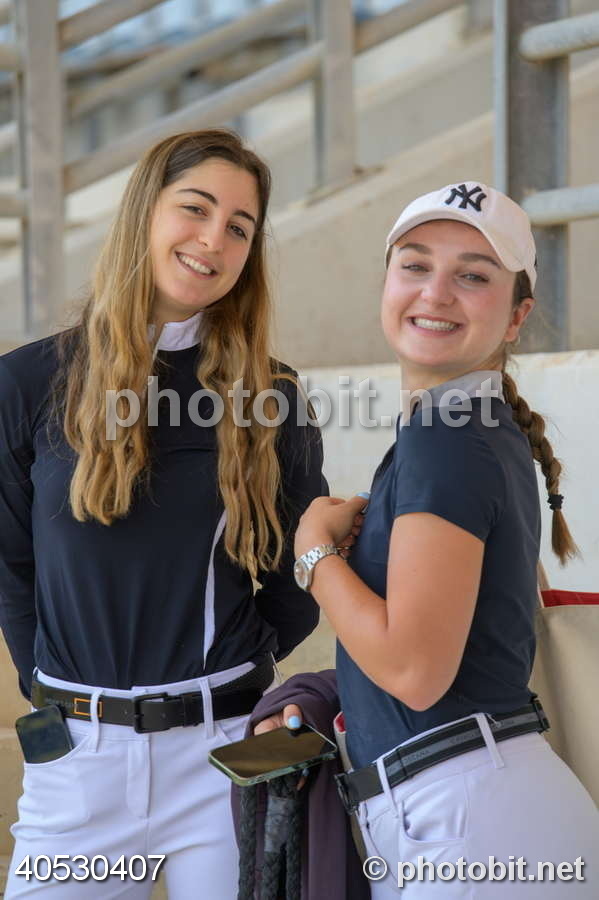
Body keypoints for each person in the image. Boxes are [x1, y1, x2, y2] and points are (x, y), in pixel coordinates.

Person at [0, 129, 326, 899]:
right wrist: (54, 690)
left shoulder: (270, 396)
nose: (214, 239)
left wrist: (237, 673)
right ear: (145, 212)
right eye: (195, 208)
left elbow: (298, 570)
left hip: (227, 755)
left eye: (239, 227)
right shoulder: (27, 383)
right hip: (78, 762)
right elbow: (11, 566)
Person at [279, 183, 599, 897]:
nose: (435, 292)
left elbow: (415, 670)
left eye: (473, 276)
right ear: (386, 283)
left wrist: (313, 552)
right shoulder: (466, 429)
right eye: (415, 265)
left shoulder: (444, 435)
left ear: (516, 316)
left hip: (469, 818)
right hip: (474, 810)